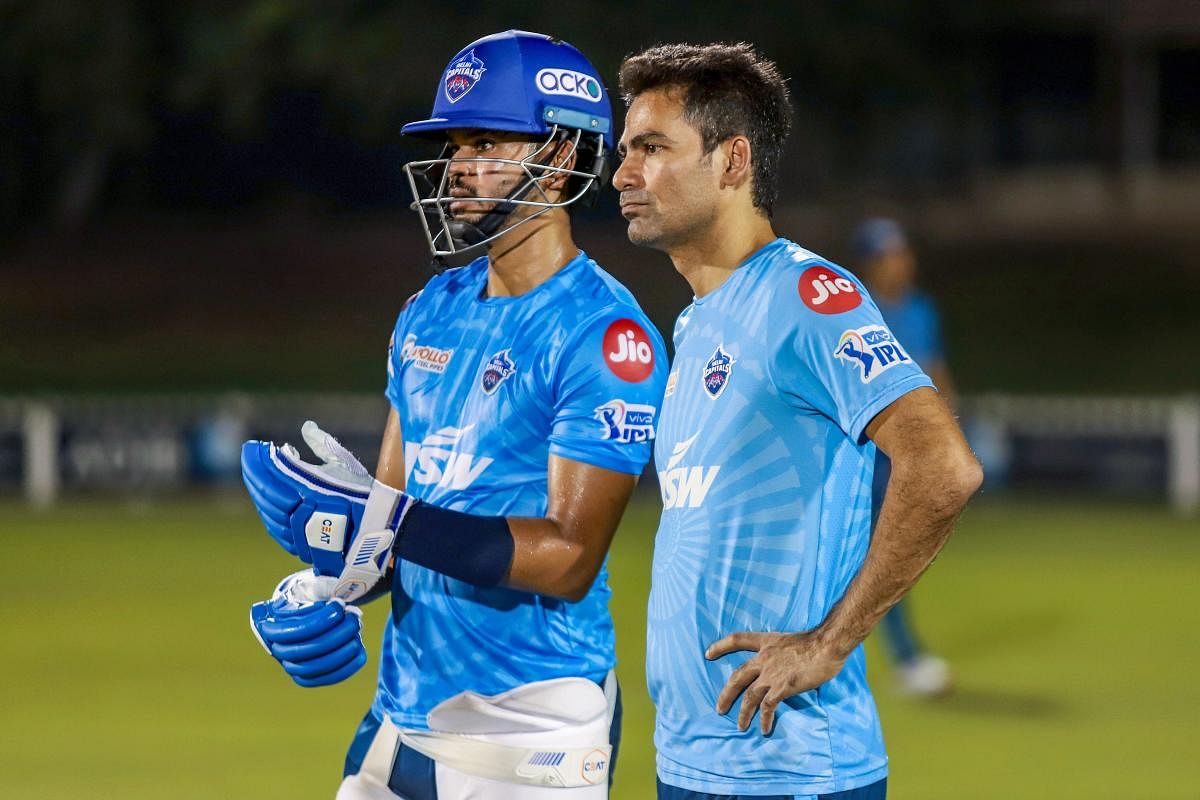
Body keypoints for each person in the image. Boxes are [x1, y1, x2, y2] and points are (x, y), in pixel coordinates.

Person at [241, 30, 666, 799]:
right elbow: (394, 530)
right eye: (454, 143)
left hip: (532, 726)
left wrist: (382, 521)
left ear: (562, 157)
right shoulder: (430, 310)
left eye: (486, 141)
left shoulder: (607, 336)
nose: (459, 165)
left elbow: (569, 559)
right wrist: (323, 588)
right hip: (402, 714)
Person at [612, 43, 982, 799]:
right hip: (694, 763)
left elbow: (943, 464)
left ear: (731, 160)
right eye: (625, 151)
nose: (623, 174)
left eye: (651, 149)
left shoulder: (805, 296)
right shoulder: (697, 323)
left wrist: (828, 644)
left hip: (789, 771)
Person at [851, 217, 957, 697]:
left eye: (901, 252)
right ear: (872, 264)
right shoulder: (854, 310)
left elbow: (935, 374)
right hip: (862, 456)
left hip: (907, 458)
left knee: (888, 555)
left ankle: (898, 655)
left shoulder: (921, 311)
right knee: (867, 556)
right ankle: (905, 657)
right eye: (889, 255)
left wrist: (949, 434)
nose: (900, 262)